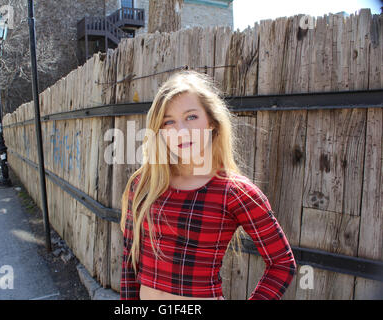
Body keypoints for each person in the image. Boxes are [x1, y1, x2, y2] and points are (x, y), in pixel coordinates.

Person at [120, 70, 296, 300]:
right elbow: (129, 258)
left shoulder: (235, 192)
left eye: (191, 117)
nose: (181, 131)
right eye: (168, 121)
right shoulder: (144, 183)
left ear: (211, 122)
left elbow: (282, 263)